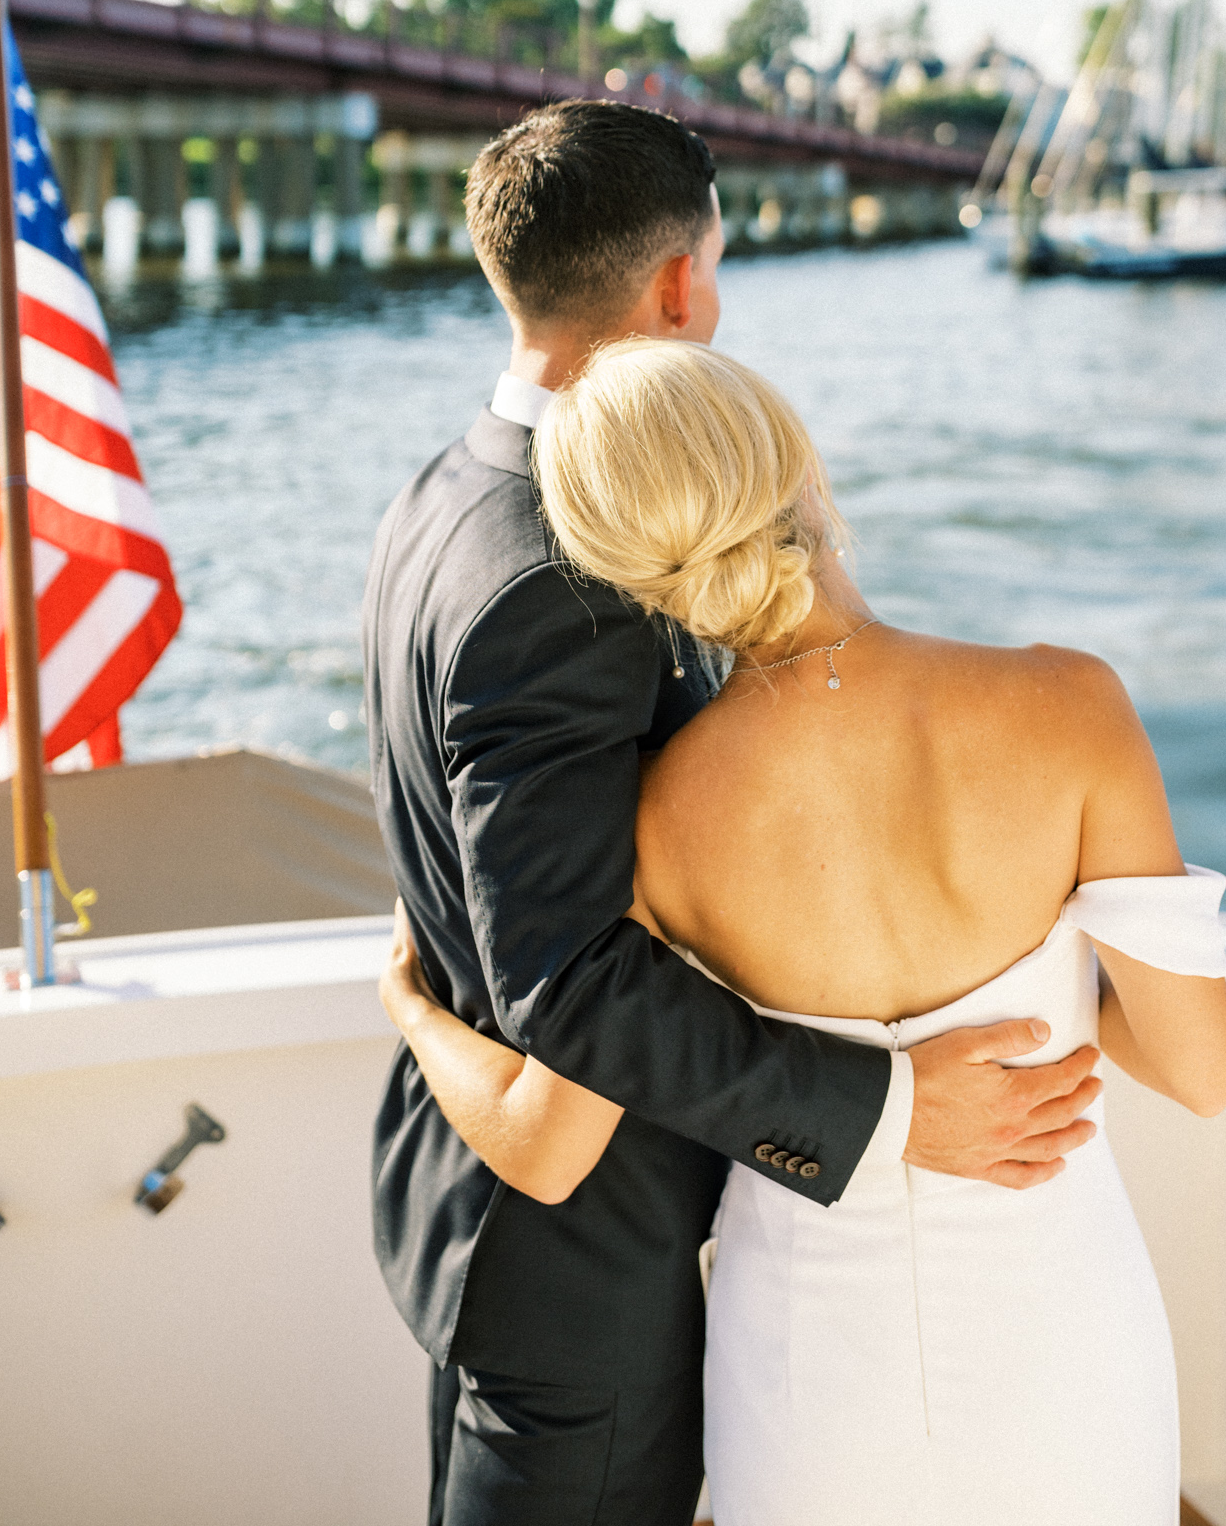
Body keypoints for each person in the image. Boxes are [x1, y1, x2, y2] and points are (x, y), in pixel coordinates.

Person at [363, 100, 1104, 1526]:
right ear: (680, 286)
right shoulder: (560, 578)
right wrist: (887, 1109)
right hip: (581, 1266)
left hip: (488, 1218)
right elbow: (568, 977)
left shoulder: (445, 491)